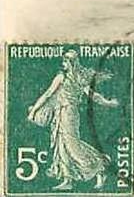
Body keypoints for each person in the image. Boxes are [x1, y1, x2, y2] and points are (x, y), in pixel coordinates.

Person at [27, 50, 118, 191]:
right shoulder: (66, 77)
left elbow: (92, 95)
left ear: (71, 63)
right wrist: (108, 102)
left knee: (72, 145)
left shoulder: (71, 78)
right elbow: (48, 95)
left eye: (65, 61)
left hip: (69, 114)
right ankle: (67, 179)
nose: (63, 64)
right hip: (60, 113)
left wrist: (107, 103)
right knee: (61, 145)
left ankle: (100, 166)